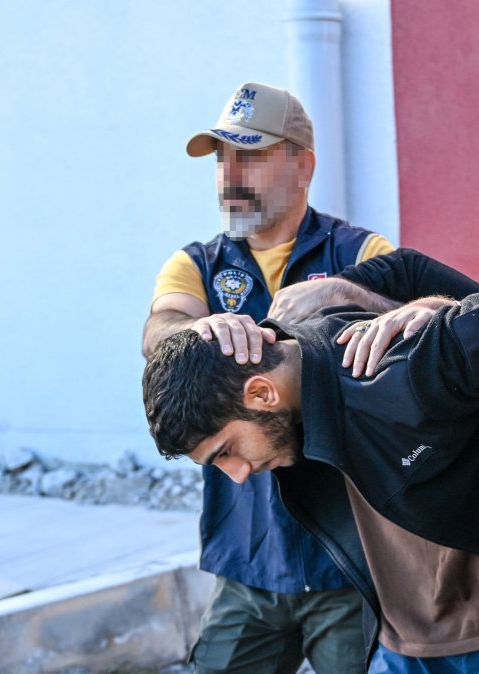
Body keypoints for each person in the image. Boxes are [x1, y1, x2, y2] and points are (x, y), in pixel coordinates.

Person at [142, 251, 479, 672]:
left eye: (226, 451)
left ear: (262, 392)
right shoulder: (295, 359)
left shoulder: (400, 368)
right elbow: (402, 269)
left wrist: (451, 319)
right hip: (404, 643)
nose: (238, 474)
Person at [141, 82, 395, 673]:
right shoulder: (196, 264)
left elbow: (410, 338)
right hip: (247, 562)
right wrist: (195, 335)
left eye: (249, 155)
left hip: (349, 561)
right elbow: (160, 330)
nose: (230, 173)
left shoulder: (363, 252)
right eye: (221, 158)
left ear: (302, 165)